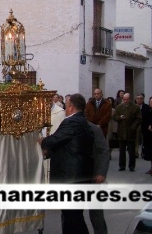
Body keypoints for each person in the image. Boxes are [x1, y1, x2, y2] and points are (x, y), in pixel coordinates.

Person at [38, 93, 94, 234]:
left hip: (71, 176)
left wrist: (41, 141)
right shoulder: (83, 121)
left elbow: (55, 140)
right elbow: (68, 146)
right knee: (75, 216)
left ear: (70, 106)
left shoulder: (72, 122)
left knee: (71, 217)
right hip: (81, 175)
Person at [87, 120, 110, 234]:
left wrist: (101, 172)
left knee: (96, 211)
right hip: (74, 175)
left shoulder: (94, 129)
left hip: (92, 175)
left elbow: (104, 151)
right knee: (72, 214)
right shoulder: (67, 126)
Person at [113, 93, 142, 172]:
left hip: (131, 132)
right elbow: (114, 117)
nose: (125, 101)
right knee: (122, 151)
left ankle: (131, 166)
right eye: (124, 99)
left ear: (130, 99)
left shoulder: (135, 107)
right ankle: (122, 166)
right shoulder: (119, 107)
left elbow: (139, 119)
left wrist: (133, 127)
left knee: (131, 150)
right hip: (121, 132)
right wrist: (119, 117)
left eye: (127, 99)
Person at [142, 96, 152, 174]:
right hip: (147, 134)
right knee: (150, 152)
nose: (151, 103)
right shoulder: (149, 110)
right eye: (150, 101)